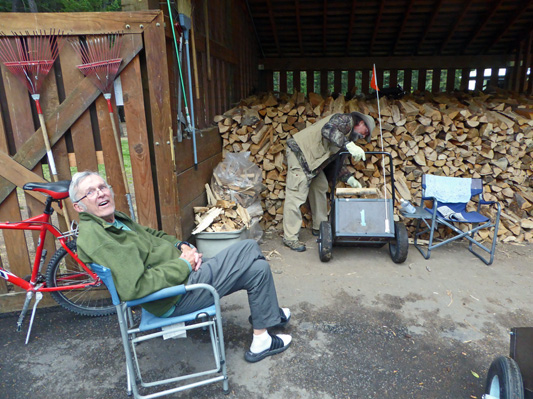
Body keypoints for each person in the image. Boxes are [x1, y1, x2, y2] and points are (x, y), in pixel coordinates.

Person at [69, 171, 292, 363]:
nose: (100, 193)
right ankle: (268, 314)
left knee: (258, 270)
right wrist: (184, 264)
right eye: (90, 192)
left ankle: (262, 335)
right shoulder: (100, 239)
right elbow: (135, 287)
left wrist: (181, 245)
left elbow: (152, 235)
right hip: (174, 295)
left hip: (180, 277)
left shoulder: (114, 220)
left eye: (102, 187)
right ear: (78, 206)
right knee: (248, 247)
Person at [282, 112, 376, 252]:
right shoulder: (345, 120)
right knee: (296, 195)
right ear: (361, 123)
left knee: (320, 186)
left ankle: (319, 227)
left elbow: (335, 165)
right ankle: (290, 238)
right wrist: (349, 145)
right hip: (300, 153)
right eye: (365, 132)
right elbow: (327, 130)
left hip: (313, 162)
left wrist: (349, 178)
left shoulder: (347, 140)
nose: (363, 136)